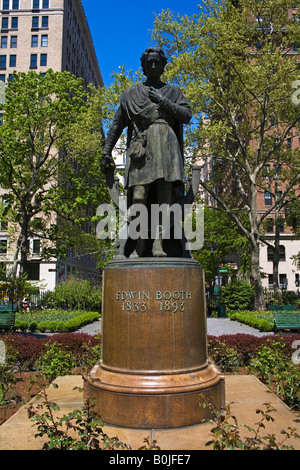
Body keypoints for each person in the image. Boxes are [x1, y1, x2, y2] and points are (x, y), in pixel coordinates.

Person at [101, 46, 192, 257]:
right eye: (148, 62)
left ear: (163, 66)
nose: (152, 65)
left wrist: (163, 102)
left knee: (164, 198)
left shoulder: (173, 91)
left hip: (166, 146)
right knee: (139, 196)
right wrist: (106, 151)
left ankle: (159, 244)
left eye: (156, 62)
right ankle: (141, 242)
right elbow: (116, 125)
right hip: (141, 149)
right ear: (142, 66)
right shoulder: (130, 94)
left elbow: (186, 115)